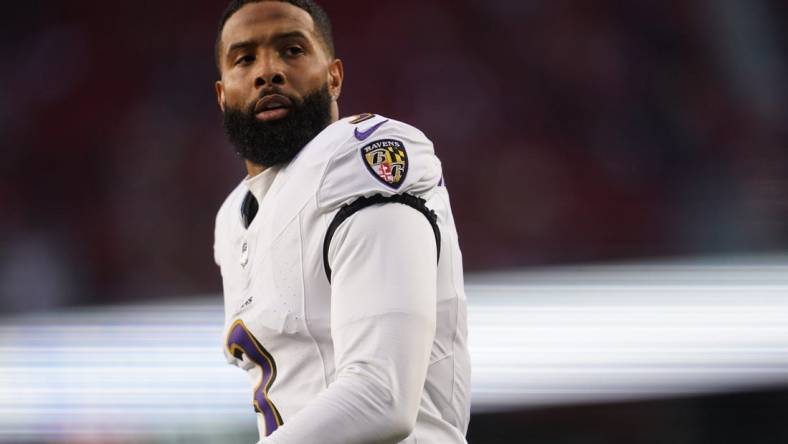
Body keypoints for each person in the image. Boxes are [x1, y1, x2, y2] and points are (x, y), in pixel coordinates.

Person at [212, 1, 470, 442]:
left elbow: (382, 396)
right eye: (245, 58)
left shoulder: (359, 158)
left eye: (292, 50)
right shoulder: (234, 218)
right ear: (222, 94)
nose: (268, 71)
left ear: (334, 76)